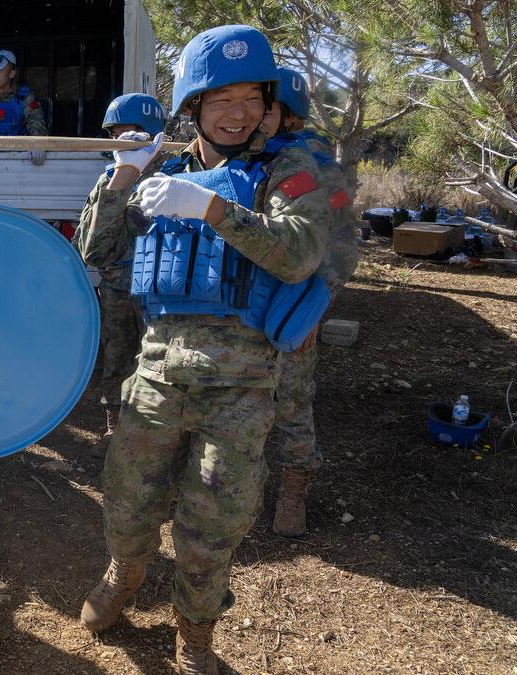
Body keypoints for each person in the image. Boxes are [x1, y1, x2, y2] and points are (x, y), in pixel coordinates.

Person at [73, 25, 331, 674]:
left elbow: (300, 254)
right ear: (193, 107)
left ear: (268, 104)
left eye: (251, 98)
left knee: (211, 525)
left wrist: (214, 209)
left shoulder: (288, 169)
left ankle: (195, 637)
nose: (239, 113)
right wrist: (122, 179)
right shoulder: (166, 172)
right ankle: (124, 572)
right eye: (221, 100)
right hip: (158, 375)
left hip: (241, 386)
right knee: (127, 502)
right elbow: (96, 257)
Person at [259, 67, 359, 537]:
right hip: (249, 302)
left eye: (265, 107)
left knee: (292, 400)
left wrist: (318, 306)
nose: (254, 115)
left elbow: (341, 245)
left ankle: (293, 488)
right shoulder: (249, 156)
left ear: (288, 115)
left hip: (294, 303)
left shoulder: (313, 161)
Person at [74, 93, 167, 458]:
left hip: (160, 295)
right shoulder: (108, 179)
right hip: (117, 287)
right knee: (116, 359)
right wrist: (120, 181)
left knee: (159, 368)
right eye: (115, 134)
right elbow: (92, 248)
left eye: (129, 133)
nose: (119, 141)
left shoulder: (177, 176)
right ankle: (114, 427)